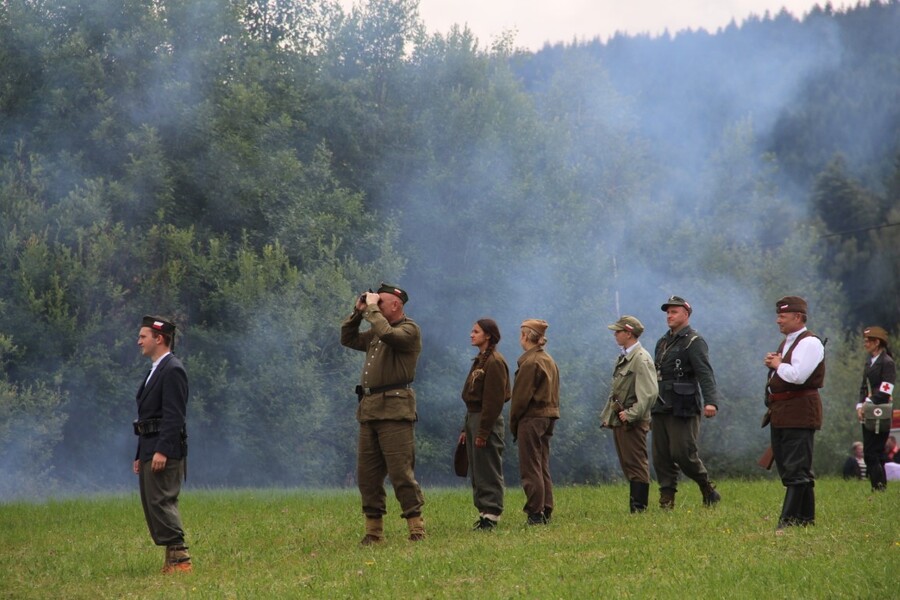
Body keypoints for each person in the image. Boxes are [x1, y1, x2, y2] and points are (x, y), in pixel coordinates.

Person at [340, 283, 425, 544]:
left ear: (396, 305)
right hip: (370, 410)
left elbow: (388, 334)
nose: (376, 305)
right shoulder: (377, 331)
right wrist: (358, 312)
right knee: (367, 475)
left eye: (382, 302)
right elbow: (348, 338)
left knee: (401, 472)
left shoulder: (408, 329)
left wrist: (372, 310)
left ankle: (416, 528)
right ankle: (373, 532)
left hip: (395, 410)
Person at [650, 296, 722, 509]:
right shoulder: (662, 341)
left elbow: (704, 373)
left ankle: (706, 486)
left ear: (686, 314)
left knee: (683, 452)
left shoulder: (694, 341)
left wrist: (711, 402)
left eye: (674, 312)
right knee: (660, 455)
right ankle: (666, 497)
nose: (669, 316)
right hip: (661, 403)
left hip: (683, 404)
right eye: (668, 312)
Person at [763, 295, 825, 535]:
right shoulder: (789, 341)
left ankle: (787, 522)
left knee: (796, 469)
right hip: (784, 411)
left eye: (783, 316)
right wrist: (775, 365)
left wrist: (778, 365)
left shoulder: (810, 343)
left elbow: (798, 376)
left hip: (799, 411)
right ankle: (806, 520)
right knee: (795, 468)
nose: (778, 320)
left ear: (798, 317)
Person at [133, 315, 191, 573]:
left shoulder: (173, 369)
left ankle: (181, 560)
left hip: (163, 449)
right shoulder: (155, 370)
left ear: (159, 338)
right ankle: (172, 560)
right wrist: (140, 453)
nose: (138, 342)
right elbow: (146, 417)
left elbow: (174, 416)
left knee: (162, 501)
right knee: (153, 502)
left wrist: (162, 450)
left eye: (143, 336)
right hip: (150, 447)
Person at [600, 316, 658, 513]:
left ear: (629, 333)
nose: (615, 335)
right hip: (622, 419)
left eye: (618, 331)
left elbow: (649, 393)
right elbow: (617, 390)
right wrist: (609, 416)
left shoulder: (641, 359)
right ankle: (636, 506)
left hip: (632, 421)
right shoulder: (625, 357)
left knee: (636, 464)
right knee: (628, 464)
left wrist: (631, 414)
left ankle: (639, 508)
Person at [459, 318, 510, 530]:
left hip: (486, 419)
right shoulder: (480, 360)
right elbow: (472, 399)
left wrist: (483, 431)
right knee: (477, 468)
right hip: (474, 417)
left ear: (487, 335)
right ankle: (483, 513)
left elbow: (493, 401)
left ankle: (492, 515)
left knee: (488, 467)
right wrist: (466, 428)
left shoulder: (495, 362)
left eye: (476, 331)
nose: (471, 334)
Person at [509, 319, 560, 525]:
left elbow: (520, 399)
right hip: (548, 416)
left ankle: (535, 512)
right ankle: (546, 507)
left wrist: (514, 423)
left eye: (521, 334)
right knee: (542, 464)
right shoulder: (548, 359)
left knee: (530, 467)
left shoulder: (530, 362)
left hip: (531, 418)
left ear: (526, 336)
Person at [855, 326, 895, 491]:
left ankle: (879, 488)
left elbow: (886, 390)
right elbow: (864, 387)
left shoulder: (887, 363)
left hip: (879, 411)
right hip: (869, 411)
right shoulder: (870, 362)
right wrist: (859, 405)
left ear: (877, 342)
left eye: (868, 341)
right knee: (871, 451)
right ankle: (878, 487)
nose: (865, 344)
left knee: (873, 452)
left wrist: (867, 403)